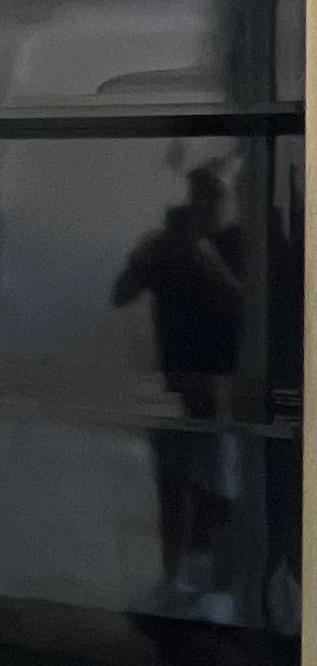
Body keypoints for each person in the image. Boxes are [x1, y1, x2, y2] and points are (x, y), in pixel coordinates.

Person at [111, 163, 246, 617]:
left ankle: (206, 580)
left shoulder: (236, 245)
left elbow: (245, 307)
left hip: (221, 387)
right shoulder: (164, 248)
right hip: (174, 383)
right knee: (172, 483)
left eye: (210, 196)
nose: (201, 204)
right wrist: (146, 256)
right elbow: (120, 294)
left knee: (216, 489)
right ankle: (173, 579)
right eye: (195, 195)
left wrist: (204, 257)